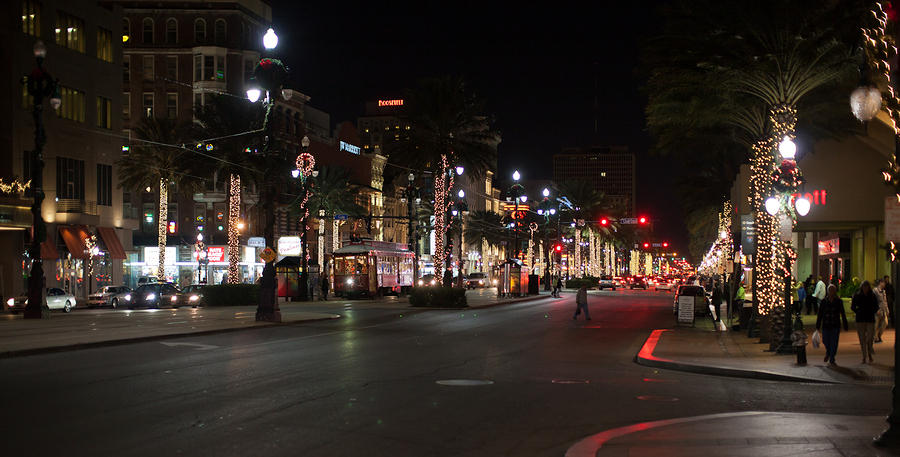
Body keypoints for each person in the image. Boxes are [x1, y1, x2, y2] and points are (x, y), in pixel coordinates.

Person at [816, 284, 849, 365]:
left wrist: (845, 324)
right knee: (825, 340)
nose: (831, 292)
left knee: (834, 342)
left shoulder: (838, 301)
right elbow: (820, 314)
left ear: (835, 291)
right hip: (826, 324)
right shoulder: (824, 301)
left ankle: (832, 357)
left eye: (833, 290)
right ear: (828, 291)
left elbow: (842, 313)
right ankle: (828, 352)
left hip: (835, 324)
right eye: (830, 290)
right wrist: (818, 325)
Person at [851, 280, 879, 364]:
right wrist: (858, 311)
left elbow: (876, 306)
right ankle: (864, 356)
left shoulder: (872, 295)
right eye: (864, 287)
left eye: (866, 287)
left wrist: (872, 311)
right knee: (862, 339)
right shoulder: (858, 295)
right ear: (861, 287)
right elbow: (853, 306)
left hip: (870, 319)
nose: (865, 288)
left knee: (870, 338)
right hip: (860, 319)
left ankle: (869, 352)